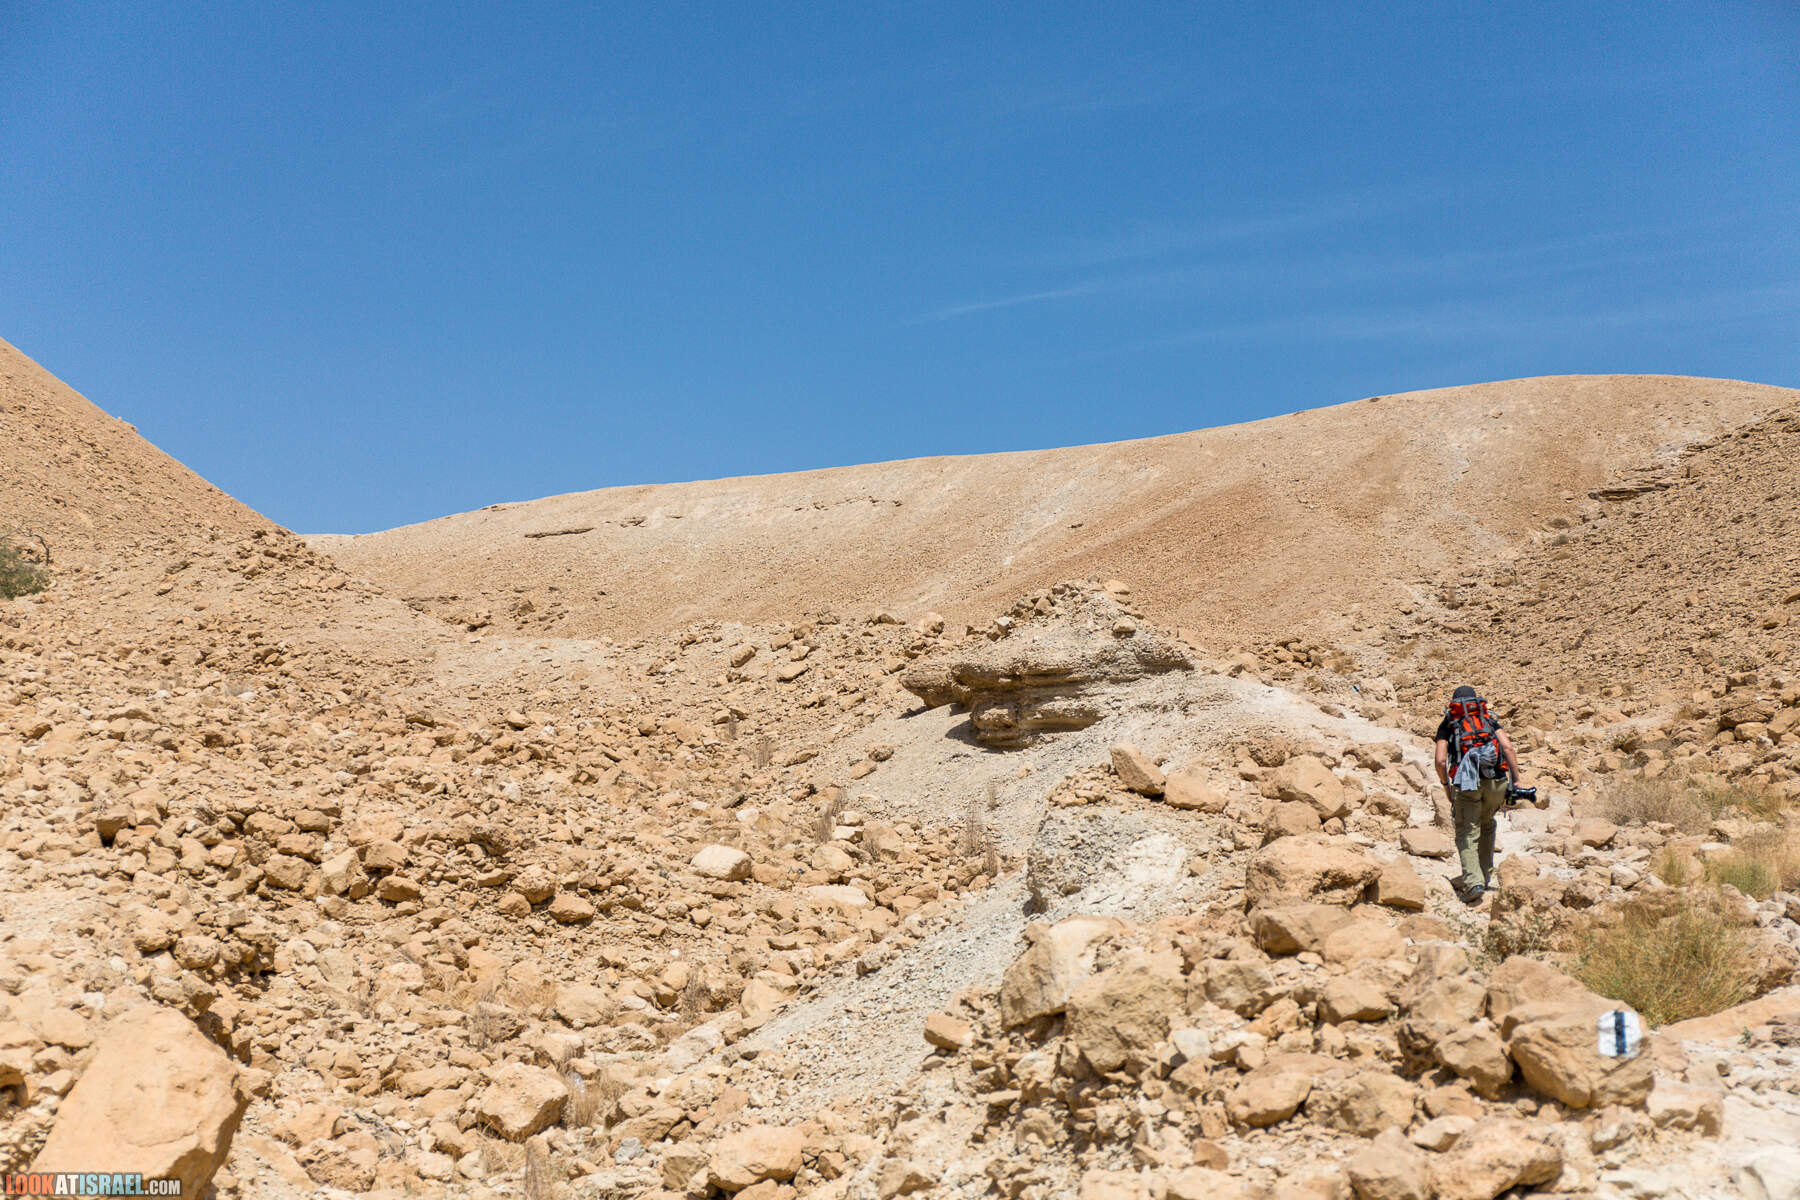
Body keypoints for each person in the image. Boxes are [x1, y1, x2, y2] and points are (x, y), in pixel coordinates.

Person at [1433, 685, 1522, 903]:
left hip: (1467, 784)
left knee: (1467, 831)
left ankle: (1473, 883)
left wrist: (1446, 785)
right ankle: (1484, 875)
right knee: (1487, 823)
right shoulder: (1489, 719)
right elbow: (1508, 748)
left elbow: (1440, 760)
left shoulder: (1448, 723)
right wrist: (1517, 779)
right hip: (1496, 781)